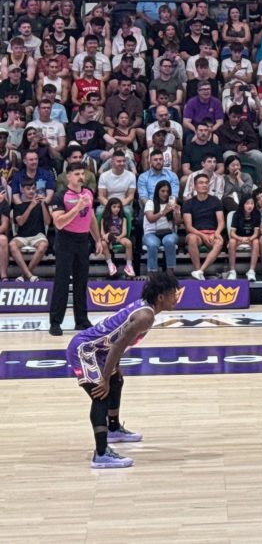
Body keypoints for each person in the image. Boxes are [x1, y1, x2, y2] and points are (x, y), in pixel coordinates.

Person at [66, 270, 182, 468]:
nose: (177, 296)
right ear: (161, 296)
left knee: (116, 381)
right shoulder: (145, 316)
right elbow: (119, 344)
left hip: (101, 350)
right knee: (100, 394)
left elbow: (117, 340)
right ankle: (101, 454)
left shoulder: (146, 310)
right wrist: (103, 378)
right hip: (85, 349)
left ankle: (113, 429)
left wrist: (114, 368)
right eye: (173, 293)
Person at [48, 163, 100, 337]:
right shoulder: (60, 196)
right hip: (65, 241)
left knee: (81, 281)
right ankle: (55, 322)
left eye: (82, 173)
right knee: (62, 282)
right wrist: (77, 208)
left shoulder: (88, 193)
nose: (80, 177)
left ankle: (81, 319)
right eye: (76, 174)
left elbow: (91, 217)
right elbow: (59, 223)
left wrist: (97, 239)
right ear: (68, 176)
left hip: (83, 240)